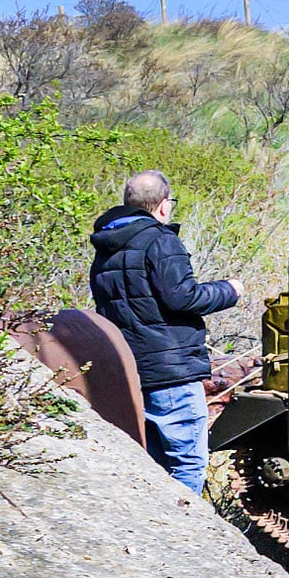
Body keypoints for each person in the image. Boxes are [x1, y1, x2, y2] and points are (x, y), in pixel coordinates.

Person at [88, 171, 243, 492]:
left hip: (131, 373)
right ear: (162, 206)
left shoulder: (105, 248)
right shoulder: (160, 240)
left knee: (154, 468)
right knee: (188, 464)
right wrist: (230, 290)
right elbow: (183, 297)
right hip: (172, 375)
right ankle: (188, 533)